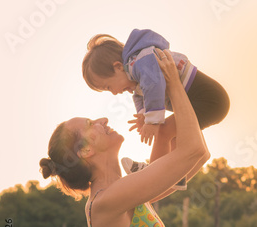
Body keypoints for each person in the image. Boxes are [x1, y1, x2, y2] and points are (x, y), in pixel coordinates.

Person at [40, 49, 208, 227]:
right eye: (92, 125)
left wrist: (162, 127)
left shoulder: (125, 192)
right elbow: (192, 150)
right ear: (86, 150)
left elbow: (198, 158)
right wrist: (173, 82)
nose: (104, 120)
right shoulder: (107, 201)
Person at [82, 28, 229, 189]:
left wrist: (152, 122)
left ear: (118, 67)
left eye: (109, 86)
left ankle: (152, 172)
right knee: (173, 137)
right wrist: (144, 115)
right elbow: (140, 96)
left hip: (210, 101)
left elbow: (153, 84)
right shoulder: (136, 75)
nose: (115, 93)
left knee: (163, 131)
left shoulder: (141, 62)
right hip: (205, 102)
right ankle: (177, 175)